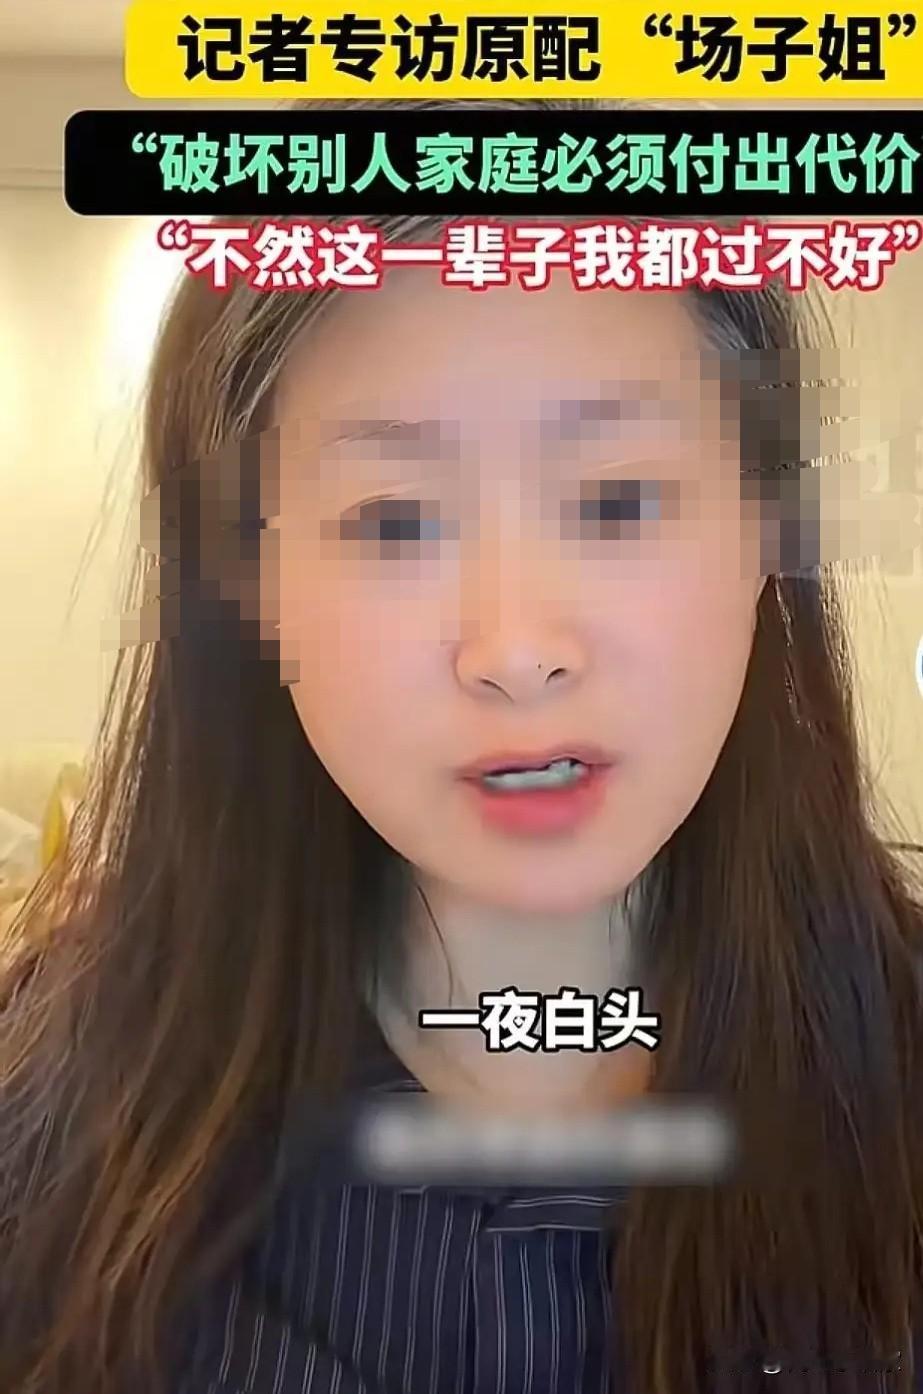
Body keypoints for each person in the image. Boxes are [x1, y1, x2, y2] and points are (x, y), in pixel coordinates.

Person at [2, 97, 922, 1394]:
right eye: (394, 521)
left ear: (766, 531)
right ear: (250, 588)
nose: (516, 648)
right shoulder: (46, 1124)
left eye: (616, 499)